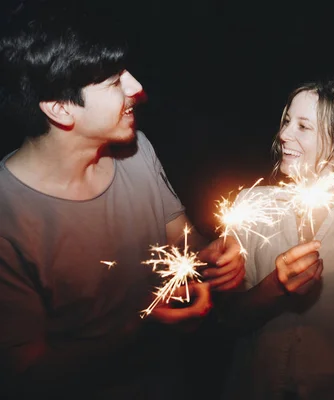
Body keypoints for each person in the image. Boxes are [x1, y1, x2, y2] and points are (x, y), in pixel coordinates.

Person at [0, 3, 244, 398]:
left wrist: (210, 254)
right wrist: (141, 328)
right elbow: (25, 374)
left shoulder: (136, 150)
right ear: (60, 108)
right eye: (114, 81)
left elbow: (181, 239)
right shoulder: (8, 219)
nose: (137, 88)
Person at [217, 78, 334, 400]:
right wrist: (274, 288)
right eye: (287, 121)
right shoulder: (249, 205)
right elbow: (226, 321)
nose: (283, 135)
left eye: (303, 126)